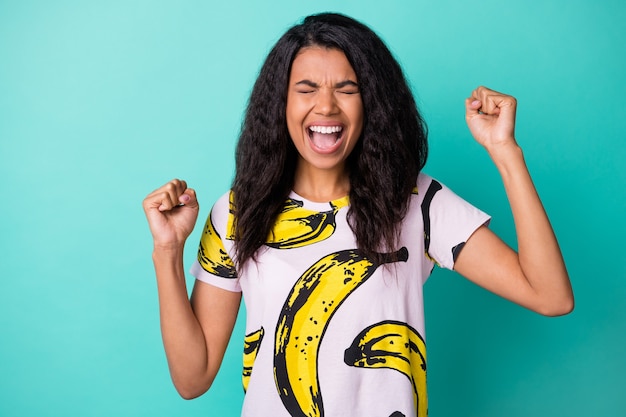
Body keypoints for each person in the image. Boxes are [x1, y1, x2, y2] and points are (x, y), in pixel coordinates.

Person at [142, 12, 573, 417]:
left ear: (373, 104)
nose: (326, 107)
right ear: (280, 103)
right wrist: (167, 251)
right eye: (306, 89)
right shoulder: (238, 212)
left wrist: (505, 152)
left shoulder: (416, 203)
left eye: (347, 89)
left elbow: (550, 296)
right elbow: (192, 378)